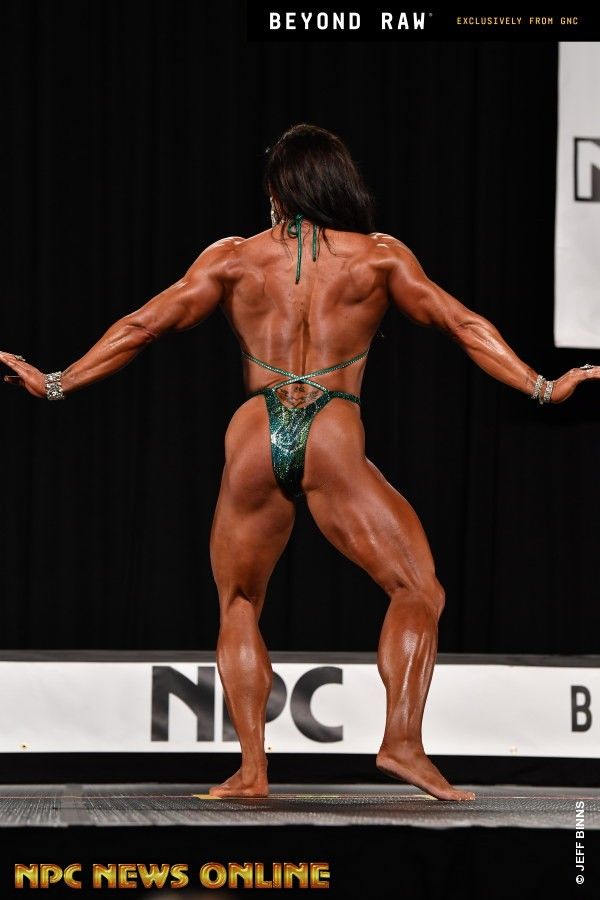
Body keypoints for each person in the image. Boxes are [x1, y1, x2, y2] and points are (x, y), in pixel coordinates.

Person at [1, 123, 597, 802]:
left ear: (279, 192)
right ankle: (402, 742)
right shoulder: (378, 257)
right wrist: (542, 386)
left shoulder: (233, 259)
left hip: (255, 432)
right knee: (418, 589)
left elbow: (143, 325)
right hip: (332, 428)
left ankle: (252, 769)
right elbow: (461, 324)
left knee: (239, 600)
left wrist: (56, 382)